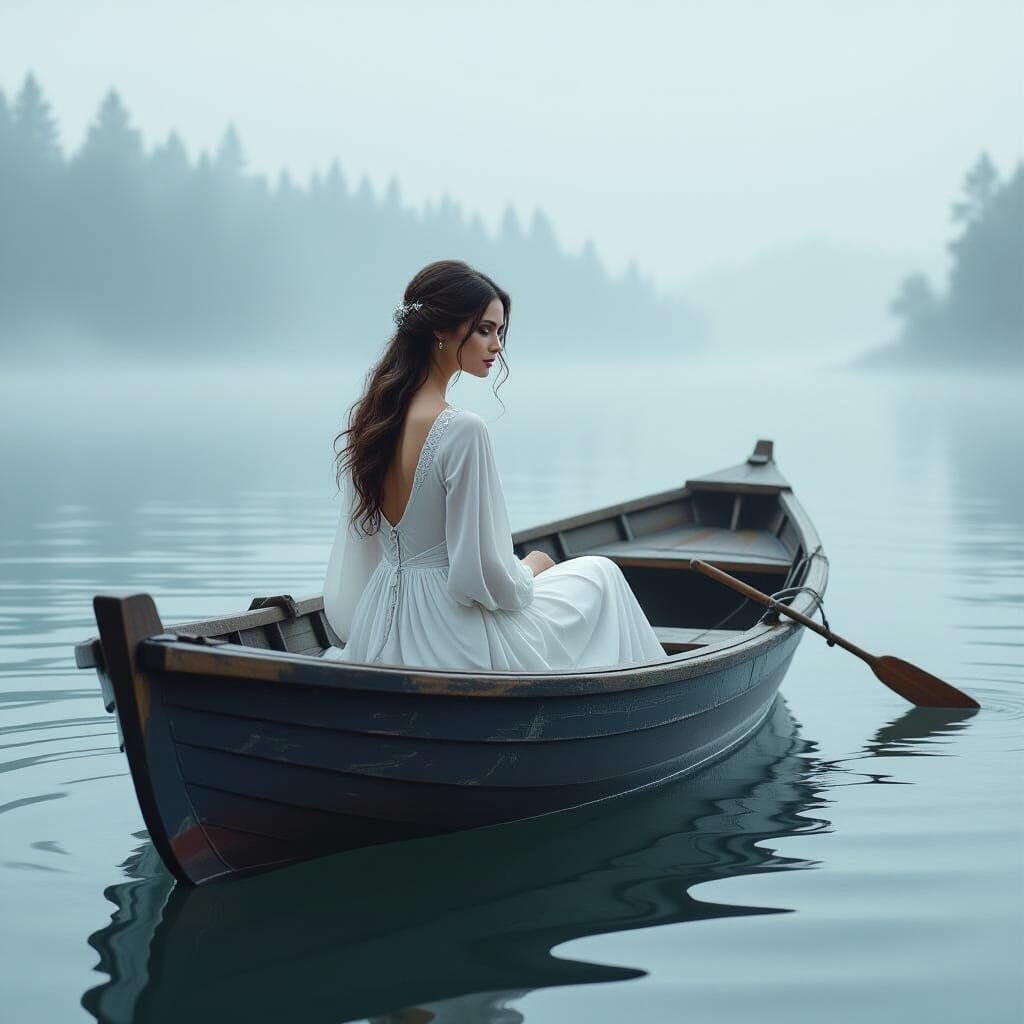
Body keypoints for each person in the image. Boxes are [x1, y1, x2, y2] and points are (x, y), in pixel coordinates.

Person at [321, 259, 667, 672]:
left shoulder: (370, 420)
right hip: (450, 631)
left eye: (499, 332)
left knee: (591, 577)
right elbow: (480, 577)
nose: (497, 345)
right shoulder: (461, 430)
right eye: (484, 330)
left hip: (381, 622)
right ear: (440, 329)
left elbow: (362, 557)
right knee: (602, 575)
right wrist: (532, 565)